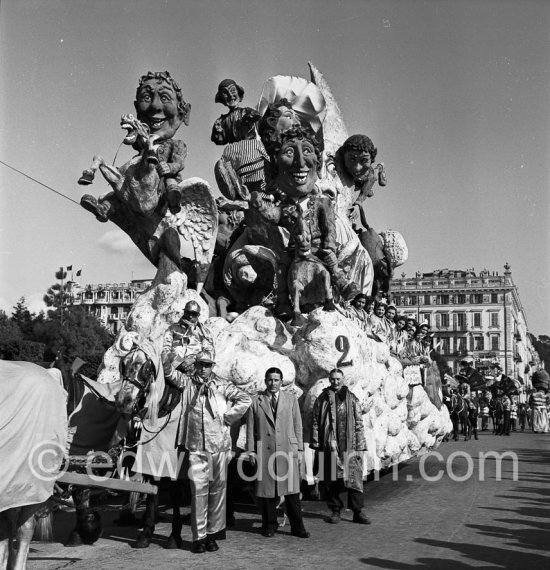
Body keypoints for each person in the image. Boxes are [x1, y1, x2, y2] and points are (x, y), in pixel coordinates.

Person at [170, 350, 251, 553]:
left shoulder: (222, 384)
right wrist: (171, 351)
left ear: (212, 366)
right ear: (195, 365)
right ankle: (199, 538)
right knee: (198, 493)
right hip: (196, 446)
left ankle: (213, 535)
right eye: (200, 364)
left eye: (207, 365)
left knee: (218, 493)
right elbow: (167, 371)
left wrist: (227, 417)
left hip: (220, 445)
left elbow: (245, 399)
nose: (204, 368)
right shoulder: (187, 382)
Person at [246, 368, 310, 539]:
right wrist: (251, 451)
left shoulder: (291, 399)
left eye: (276, 380)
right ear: (265, 381)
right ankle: (269, 525)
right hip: (265, 450)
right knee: (267, 491)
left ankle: (297, 527)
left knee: (291, 491)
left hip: (287, 450)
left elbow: (298, 424)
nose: (272, 383)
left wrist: (300, 449)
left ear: (281, 381)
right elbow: (251, 428)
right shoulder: (255, 401)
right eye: (269, 380)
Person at [310, 368, 370, 525]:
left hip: (349, 444)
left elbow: (358, 423)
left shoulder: (352, 399)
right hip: (329, 445)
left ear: (343, 380)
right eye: (333, 379)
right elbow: (315, 421)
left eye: (338, 379)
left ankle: (358, 512)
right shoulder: (322, 399)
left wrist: (360, 445)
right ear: (329, 380)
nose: (335, 382)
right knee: (331, 479)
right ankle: (335, 510)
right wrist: (316, 443)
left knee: (354, 478)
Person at [162, 300, 214, 382]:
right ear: (184, 312)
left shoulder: (204, 333)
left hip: (195, 371)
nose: (190, 316)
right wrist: (179, 363)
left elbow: (209, 353)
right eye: (188, 313)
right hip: (172, 368)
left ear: (198, 315)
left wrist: (194, 359)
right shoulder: (172, 329)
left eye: (194, 314)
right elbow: (164, 349)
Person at [211, 79, 260, 145]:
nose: (230, 95)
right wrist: (219, 130)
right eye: (225, 93)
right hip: (233, 152)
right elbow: (220, 140)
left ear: (238, 93)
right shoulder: (222, 121)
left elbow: (258, 117)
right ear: (222, 98)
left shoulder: (246, 112)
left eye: (233, 90)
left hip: (250, 149)